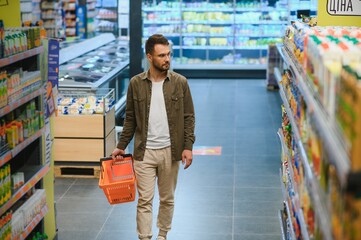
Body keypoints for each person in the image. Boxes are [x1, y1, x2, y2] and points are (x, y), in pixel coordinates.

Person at [111, 34, 196, 240]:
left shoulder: (180, 83)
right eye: (161, 55)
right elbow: (130, 118)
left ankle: (162, 235)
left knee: (167, 199)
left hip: (171, 150)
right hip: (144, 151)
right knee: (144, 200)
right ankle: (145, 237)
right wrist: (121, 145)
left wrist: (188, 146)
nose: (167, 59)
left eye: (169, 54)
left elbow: (189, 117)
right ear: (149, 57)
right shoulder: (136, 83)